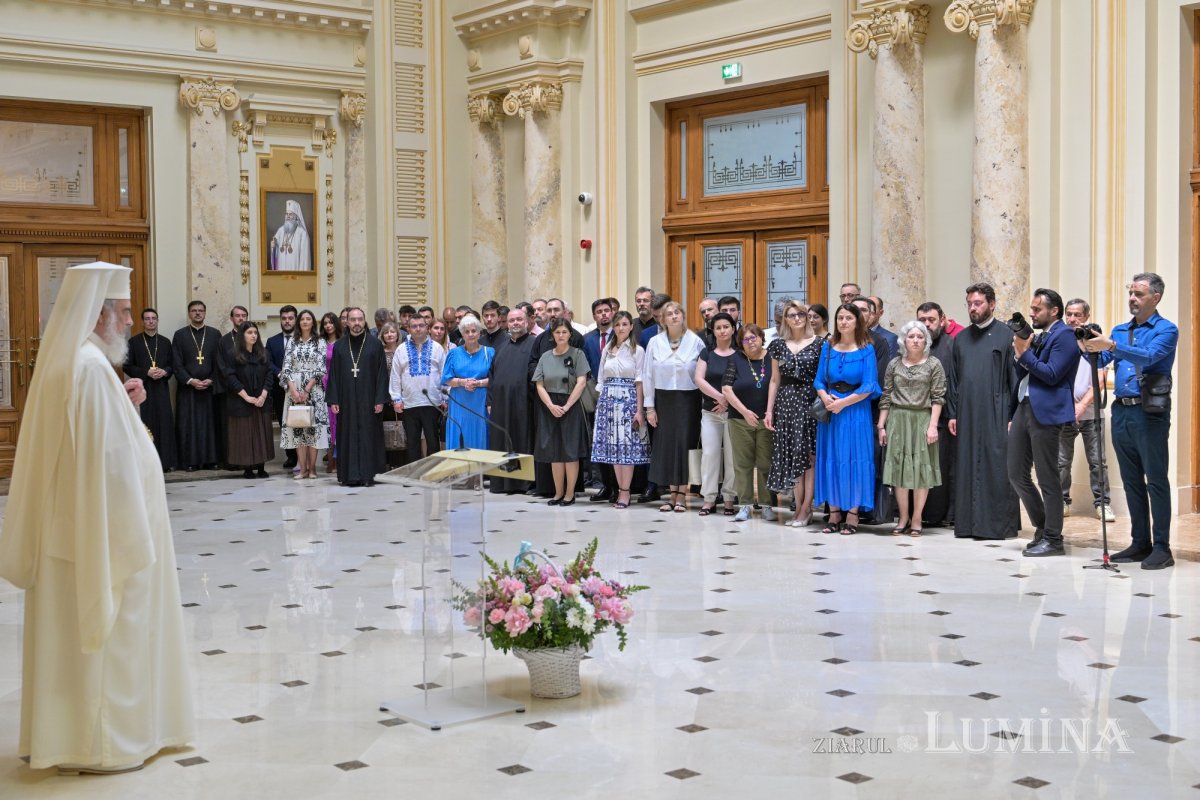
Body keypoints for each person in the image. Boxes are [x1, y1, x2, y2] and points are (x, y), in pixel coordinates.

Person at [0, 262, 194, 774]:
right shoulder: (87, 369)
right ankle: (104, 745)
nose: (131, 322)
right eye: (125, 312)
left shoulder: (83, 364)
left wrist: (124, 403)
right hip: (103, 537)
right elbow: (107, 465)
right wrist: (133, 535)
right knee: (109, 644)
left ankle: (68, 739)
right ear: (99, 314)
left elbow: (93, 442)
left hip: (78, 532)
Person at [1082, 272, 1179, 569]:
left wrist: (1109, 345)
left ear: (1155, 297)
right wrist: (1087, 346)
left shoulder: (1166, 329)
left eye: (1139, 294)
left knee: (1156, 480)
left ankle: (1162, 547)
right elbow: (1099, 361)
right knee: (1131, 480)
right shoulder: (1121, 330)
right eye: (1131, 293)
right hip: (1122, 410)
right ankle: (1140, 542)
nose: (1132, 299)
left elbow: (1148, 357)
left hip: (1149, 413)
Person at [1005, 289, 1080, 557]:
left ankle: (1054, 539)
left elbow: (1051, 375)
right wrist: (1021, 354)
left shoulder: (1066, 337)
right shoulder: (1040, 336)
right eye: (1032, 308)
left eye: (1037, 309)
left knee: (1048, 478)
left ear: (1054, 311)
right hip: (1024, 408)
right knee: (1015, 473)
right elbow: (1023, 371)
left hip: (1047, 412)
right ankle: (1042, 527)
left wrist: (1024, 353)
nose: (1032, 313)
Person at [949, 282, 1021, 539]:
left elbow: (1016, 379)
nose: (972, 308)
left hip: (997, 411)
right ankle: (968, 525)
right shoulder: (960, 339)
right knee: (967, 465)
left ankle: (998, 526)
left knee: (997, 465)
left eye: (978, 303)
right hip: (967, 412)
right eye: (969, 303)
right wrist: (954, 413)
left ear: (992, 304)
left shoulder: (1006, 335)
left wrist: (1014, 416)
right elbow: (954, 379)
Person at [813, 304, 881, 534]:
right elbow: (819, 380)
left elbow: (870, 385)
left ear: (857, 321)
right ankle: (833, 513)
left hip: (855, 411)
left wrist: (843, 402)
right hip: (831, 413)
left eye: (848, 318)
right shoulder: (828, 347)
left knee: (854, 459)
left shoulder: (866, 349)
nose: (843, 322)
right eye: (840, 318)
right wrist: (827, 398)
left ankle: (852, 514)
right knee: (832, 458)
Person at [878, 321, 946, 537]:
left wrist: (933, 426)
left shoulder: (934, 364)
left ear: (926, 341)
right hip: (897, 419)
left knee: (920, 470)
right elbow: (886, 395)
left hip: (922, 419)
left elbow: (938, 397)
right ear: (903, 340)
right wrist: (881, 425)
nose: (915, 340)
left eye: (920, 337)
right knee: (899, 470)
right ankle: (904, 517)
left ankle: (917, 518)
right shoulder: (894, 364)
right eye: (911, 336)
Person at [642, 300, 705, 512]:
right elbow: (647, 375)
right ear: (663, 319)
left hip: (689, 400)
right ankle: (671, 495)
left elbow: (704, 374)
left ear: (683, 316)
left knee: (684, 446)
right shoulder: (655, 342)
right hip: (664, 400)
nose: (674, 316)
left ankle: (683, 495)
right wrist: (649, 407)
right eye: (669, 314)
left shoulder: (695, 341)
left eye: (677, 312)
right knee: (667, 446)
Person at [765, 300, 822, 527]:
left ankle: (807, 508)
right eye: (791, 315)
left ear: (807, 316)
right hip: (787, 404)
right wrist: (769, 410)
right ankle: (798, 507)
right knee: (793, 457)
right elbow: (774, 380)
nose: (797, 318)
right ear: (785, 319)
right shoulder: (778, 345)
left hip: (809, 402)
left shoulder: (819, 343)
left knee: (810, 459)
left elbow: (822, 378)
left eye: (800, 314)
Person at [1059, 299, 1113, 522]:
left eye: (1077, 315)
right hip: (1064, 412)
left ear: (1086, 317)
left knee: (1097, 461)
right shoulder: (1060, 340)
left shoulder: (1094, 339)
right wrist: (1069, 407)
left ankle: (1103, 504)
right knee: (1061, 461)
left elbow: (1100, 378)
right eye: (1069, 314)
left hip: (1090, 413)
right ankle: (1062, 502)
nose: (1072, 319)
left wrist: (1081, 406)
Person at [591, 310, 651, 509]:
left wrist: (639, 410)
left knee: (628, 449)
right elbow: (600, 378)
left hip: (628, 402)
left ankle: (626, 491)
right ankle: (619, 489)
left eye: (625, 324)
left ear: (631, 326)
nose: (621, 328)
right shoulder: (608, 349)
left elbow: (640, 381)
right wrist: (601, 406)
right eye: (617, 325)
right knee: (614, 449)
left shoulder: (637, 351)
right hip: (608, 401)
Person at [326, 307, 389, 487]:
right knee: (348, 435)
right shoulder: (339, 345)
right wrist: (333, 399)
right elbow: (334, 375)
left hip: (369, 399)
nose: (356, 323)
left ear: (364, 320)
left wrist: (379, 399)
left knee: (369, 435)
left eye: (360, 319)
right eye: (353, 320)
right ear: (347, 322)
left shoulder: (375, 344)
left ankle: (369, 475)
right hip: (346, 400)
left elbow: (381, 374)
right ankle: (349, 475)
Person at [533, 317, 591, 505]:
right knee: (554, 452)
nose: (561, 335)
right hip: (550, 405)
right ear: (552, 335)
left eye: (564, 332)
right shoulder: (545, 357)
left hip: (571, 405)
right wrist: (550, 406)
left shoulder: (577, 354)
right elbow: (539, 384)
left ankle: (569, 493)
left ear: (570, 334)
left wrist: (566, 406)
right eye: (557, 332)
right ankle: (558, 493)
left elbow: (582, 382)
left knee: (569, 451)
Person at [723, 325, 775, 522]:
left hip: (767, 419)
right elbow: (726, 388)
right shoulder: (735, 359)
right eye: (745, 339)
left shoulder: (772, 358)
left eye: (753, 338)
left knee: (765, 462)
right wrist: (745, 412)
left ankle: (766, 504)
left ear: (761, 337)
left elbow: (776, 382)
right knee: (742, 464)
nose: (750, 342)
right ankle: (744, 505)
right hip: (739, 419)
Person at [487, 306, 538, 494]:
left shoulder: (534, 344)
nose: (515, 323)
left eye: (519, 319)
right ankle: (502, 482)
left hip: (525, 405)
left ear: (527, 322)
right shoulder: (501, 348)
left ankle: (523, 483)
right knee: (502, 441)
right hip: (501, 407)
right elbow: (492, 377)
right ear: (506, 324)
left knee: (522, 440)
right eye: (511, 320)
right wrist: (490, 402)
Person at [916, 302, 958, 526]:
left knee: (941, 466)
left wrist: (952, 414)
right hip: (914, 417)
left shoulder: (951, 345)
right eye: (922, 320)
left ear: (942, 319)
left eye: (931, 320)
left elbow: (953, 384)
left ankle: (940, 515)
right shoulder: (913, 345)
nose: (926, 325)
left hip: (942, 419)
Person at [693, 312, 738, 516]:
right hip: (710, 412)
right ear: (713, 330)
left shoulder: (740, 353)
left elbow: (743, 381)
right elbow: (699, 379)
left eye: (726, 327)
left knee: (731, 458)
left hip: (734, 413)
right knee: (710, 455)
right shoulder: (707, 353)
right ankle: (709, 498)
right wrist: (720, 398)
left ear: (733, 329)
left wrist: (728, 402)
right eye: (718, 327)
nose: (722, 330)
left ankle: (729, 497)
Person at [124, 307, 177, 472]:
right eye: (147, 319)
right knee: (146, 423)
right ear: (142, 322)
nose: (151, 321)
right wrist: (145, 372)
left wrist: (165, 371)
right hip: (143, 389)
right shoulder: (134, 342)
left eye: (154, 318)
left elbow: (172, 365)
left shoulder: (165, 342)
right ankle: (146, 462)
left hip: (161, 388)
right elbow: (127, 365)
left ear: (158, 321)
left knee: (164, 424)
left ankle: (165, 463)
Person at [280, 309, 329, 480]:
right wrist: (293, 389)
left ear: (313, 322)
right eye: (302, 319)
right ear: (298, 322)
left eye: (309, 319)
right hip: (293, 390)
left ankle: (313, 469)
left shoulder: (320, 342)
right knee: (299, 429)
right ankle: (302, 469)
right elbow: (285, 367)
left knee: (313, 431)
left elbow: (321, 368)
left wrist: (307, 389)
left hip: (314, 390)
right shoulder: (292, 342)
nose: (305, 321)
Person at [389, 314, 445, 463]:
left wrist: (445, 398)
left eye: (421, 325)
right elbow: (395, 376)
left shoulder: (437, 348)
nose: (418, 329)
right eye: (414, 326)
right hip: (409, 403)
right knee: (412, 443)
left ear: (427, 328)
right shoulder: (401, 350)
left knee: (433, 441)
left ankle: (433, 473)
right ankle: (414, 474)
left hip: (432, 403)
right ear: (408, 329)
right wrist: (396, 399)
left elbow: (444, 374)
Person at [173, 300, 221, 471]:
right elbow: (176, 363)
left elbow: (220, 362)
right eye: (194, 311)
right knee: (189, 426)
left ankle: (211, 460)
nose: (198, 313)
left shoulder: (215, 334)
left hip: (209, 388)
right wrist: (190, 380)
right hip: (188, 389)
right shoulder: (180, 335)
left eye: (201, 310)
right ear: (189, 314)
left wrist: (211, 379)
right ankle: (190, 461)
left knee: (210, 425)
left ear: (205, 313)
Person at [225, 321, 276, 479]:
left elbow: (269, 375)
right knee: (244, 434)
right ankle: (247, 468)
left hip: (261, 400)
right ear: (242, 335)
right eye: (249, 332)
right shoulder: (232, 354)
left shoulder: (264, 353)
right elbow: (230, 377)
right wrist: (246, 397)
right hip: (241, 401)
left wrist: (263, 395)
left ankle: (261, 467)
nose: (253, 335)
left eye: (255, 332)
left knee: (261, 433)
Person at [442, 314, 494, 449]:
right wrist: (462, 382)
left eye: (474, 331)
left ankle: (481, 469)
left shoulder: (490, 352)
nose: (470, 334)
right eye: (467, 331)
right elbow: (446, 379)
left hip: (480, 402)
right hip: (459, 403)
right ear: (462, 334)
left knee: (481, 437)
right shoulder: (453, 353)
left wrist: (477, 383)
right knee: (459, 441)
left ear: (479, 332)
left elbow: (495, 379)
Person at [267, 305, 298, 470]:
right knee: (284, 422)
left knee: (302, 422)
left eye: (290, 318)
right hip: (280, 389)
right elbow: (268, 363)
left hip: (301, 389)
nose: (287, 321)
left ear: (296, 319)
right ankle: (291, 456)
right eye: (284, 318)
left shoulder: (304, 339)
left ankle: (302, 457)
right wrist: (282, 376)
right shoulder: (272, 341)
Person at [379, 322, 407, 467]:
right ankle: (387, 463)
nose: (389, 334)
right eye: (386, 332)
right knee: (386, 430)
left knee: (401, 429)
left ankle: (401, 463)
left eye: (392, 332)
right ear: (382, 336)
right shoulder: (379, 352)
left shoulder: (404, 351)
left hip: (403, 397)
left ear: (398, 334)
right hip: (385, 399)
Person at [320, 311, 342, 473]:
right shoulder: (320, 343)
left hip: (340, 386)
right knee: (327, 425)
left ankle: (340, 459)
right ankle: (330, 461)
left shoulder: (343, 342)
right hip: (322, 386)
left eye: (331, 322)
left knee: (339, 424)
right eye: (325, 323)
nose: (328, 325)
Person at [268, 198, 312, 271]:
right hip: (282, 269)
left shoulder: (302, 234)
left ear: (296, 217)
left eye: (290, 214)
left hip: (296, 273)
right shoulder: (280, 231)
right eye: (287, 214)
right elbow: (275, 251)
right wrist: (273, 247)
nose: (288, 216)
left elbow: (305, 260)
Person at [869, 294, 899, 359]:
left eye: (872, 309)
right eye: (865, 309)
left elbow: (889, 366)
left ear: (881, 312)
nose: (868, 313)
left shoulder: (890, 338)